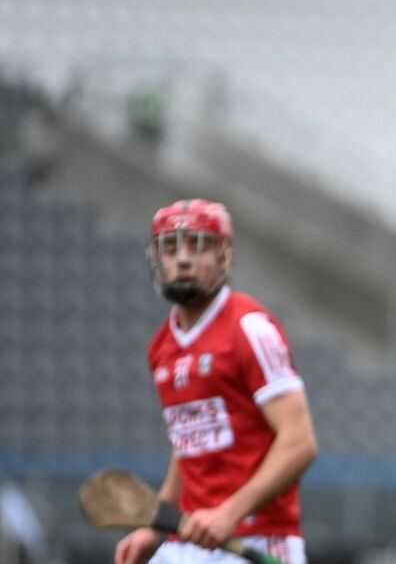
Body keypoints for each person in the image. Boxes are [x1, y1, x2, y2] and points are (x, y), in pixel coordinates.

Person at [115, 199, 319, 564]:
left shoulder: (249, 328)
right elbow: (189, 441)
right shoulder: (162, 346)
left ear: (225, 257)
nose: (183, 259)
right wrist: (157, 526)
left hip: (256, 541)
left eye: (199, 246)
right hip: (186, 541)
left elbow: (299, 442)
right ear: (156, 258)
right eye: (171, 247)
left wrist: (229, 513)